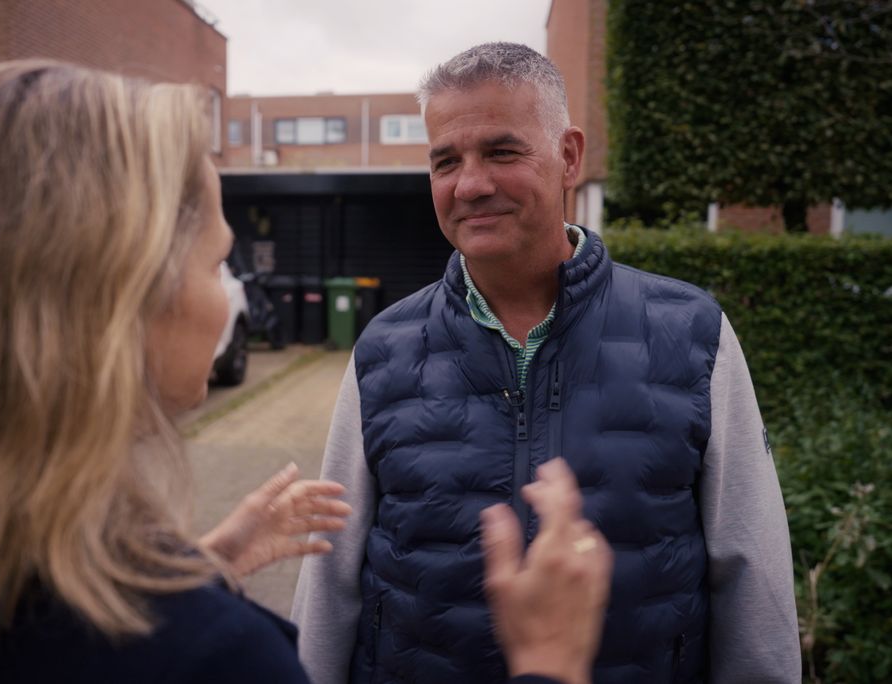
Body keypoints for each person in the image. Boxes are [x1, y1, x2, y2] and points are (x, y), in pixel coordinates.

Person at [0, 59, 611, 684]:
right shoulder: (216, 658)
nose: (226, 301)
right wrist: (546, 663)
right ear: (118, 298)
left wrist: (195, 571)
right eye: (217, 264)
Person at [291, 42, 801, 684]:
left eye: (502, 152)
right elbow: (329, 586)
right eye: (445, 160)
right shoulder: (383, 349)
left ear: (568, 157)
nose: (471, 184)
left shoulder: (693, 335)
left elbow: (751, 578)